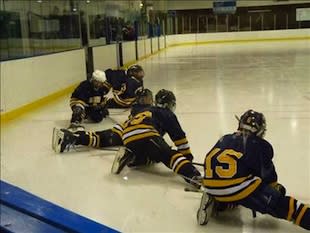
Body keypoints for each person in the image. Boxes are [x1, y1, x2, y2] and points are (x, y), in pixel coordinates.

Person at [52, 89, 200, 187]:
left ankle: (74, 137)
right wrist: (187, 159)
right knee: (167, 155)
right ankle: (193, 176)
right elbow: (180, 139)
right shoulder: (167, 113)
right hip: (144, 132)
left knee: (101, 139)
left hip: (126, 133)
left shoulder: (144, 109)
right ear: (170, 104)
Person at [197, 110, 310, 230]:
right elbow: (266, 176)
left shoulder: (225, 138)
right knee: (282, 204)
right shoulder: (260, 144)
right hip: (237, 188)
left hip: (209, 184)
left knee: (235, 190)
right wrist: (276, 189)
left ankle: (219, 202)